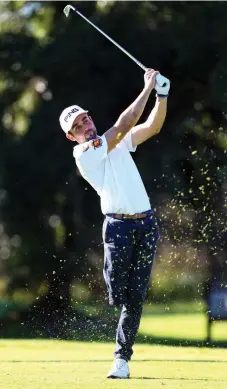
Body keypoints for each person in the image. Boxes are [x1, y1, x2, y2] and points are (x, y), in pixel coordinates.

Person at [59, 69, 170, 379]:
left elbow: (151, 126)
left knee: (135, 298)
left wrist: (161, 96)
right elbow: (123, 126)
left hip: (146, 226)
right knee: (117, 294)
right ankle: (112, 298)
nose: (84, 125)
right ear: (71, 136)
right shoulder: (84, 154)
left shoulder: (117, 143)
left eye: (85, 119)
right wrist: (147, 88)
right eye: (77, 126)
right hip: (118, 229)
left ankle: (121, 359)